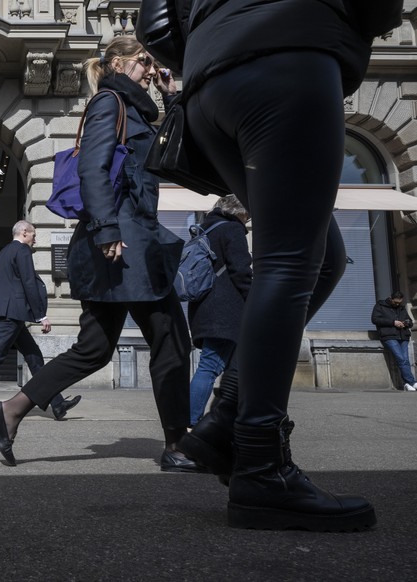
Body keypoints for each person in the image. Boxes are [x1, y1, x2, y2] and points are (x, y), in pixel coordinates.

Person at [174, 0, 386, 530]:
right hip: (289, 52)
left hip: (208, 87)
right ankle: (261, 469)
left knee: (323, 256)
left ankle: (225, 424)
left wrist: (213, 44)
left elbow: (156, 21)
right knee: (290, 262)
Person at [0, 36, 199, 473]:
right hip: (124, 245)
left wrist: (172, 95)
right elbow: (92, 168)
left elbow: (173, 155)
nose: (149, 67)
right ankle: (177, 444)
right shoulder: (110, 104)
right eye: (143, 60)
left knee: (94, 348)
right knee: (171, 341)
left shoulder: (136, 108)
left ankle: (10, 410)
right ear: (118, 63)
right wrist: (105, 229)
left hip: (129, 243)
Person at [0, 221, 81, 425]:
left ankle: (57, 404)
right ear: (24, 232)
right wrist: (41, 315)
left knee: (34, 357)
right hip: (12, 316)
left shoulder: (0, 256)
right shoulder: (22, 251)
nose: (35, 238)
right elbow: (28, 283)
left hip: (6, 315)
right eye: (34, 234)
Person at [187, 195, 251, 426]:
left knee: (228, 365)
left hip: (203, 308)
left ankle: (228, 418)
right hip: (224, 312)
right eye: (247, 214)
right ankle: (190, 420)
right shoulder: (232, 230)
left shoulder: (204, 229)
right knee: (211, 365)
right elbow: (241, 271)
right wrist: (254, 300)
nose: (248, 219)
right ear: (238, 212)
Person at [371, 291, 416, 391]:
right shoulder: (380, 305)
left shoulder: (401, 307)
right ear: (390, 298)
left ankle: (407, 384)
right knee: (401, 359)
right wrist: (393, 322)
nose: (397, 304)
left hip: (403, 336)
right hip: (389, 336)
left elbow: (410, 322)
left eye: (399, 302)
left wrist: (406, 323)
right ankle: (412, 382)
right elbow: (375, 319)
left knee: (405, 360)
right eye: (395, 302)